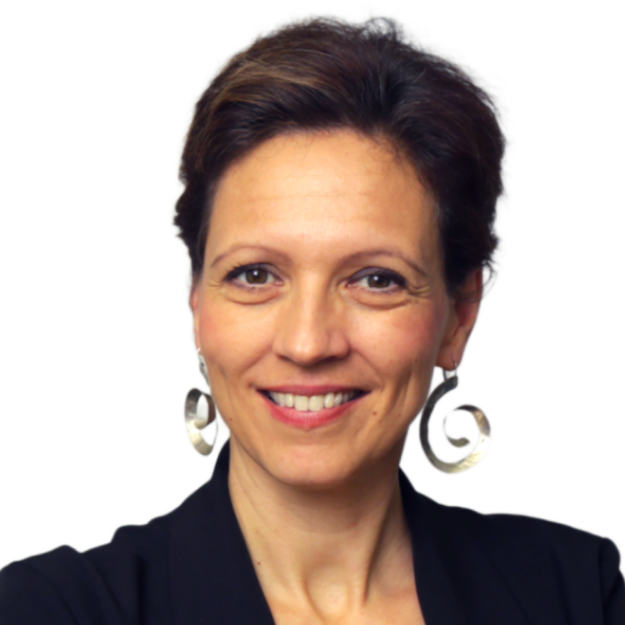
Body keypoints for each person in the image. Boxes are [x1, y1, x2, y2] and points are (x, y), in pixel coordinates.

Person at [1, 8, 623, 625]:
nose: (306, 343)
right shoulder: (49, 609)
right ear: (196, 298)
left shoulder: (575, 590)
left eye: (376, 280)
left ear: (460, 317)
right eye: (255, 275)